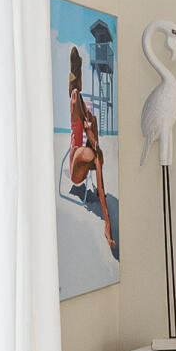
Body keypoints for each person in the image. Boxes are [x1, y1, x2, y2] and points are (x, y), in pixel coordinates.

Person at [65, 46, 110, 231]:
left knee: (97, 153)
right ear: (78, 78)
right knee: (94, 154)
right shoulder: (75, 97)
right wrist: (88, 123)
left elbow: (87, 124)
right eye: (81, 76)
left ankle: (101, 196)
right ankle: (105, 214)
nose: (83, 80)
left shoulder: (79, 98)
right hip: (76, 158)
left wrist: (90, 122)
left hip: (79, 154)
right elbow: (83, 124)